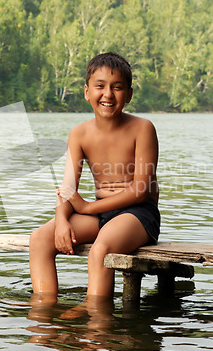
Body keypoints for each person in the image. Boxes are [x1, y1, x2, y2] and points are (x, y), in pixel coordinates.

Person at [29, 52, 160, 304]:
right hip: (101, 214)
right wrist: (61, 221)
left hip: (138, 214)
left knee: (101, 249)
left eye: (117, 87)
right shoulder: (79, 134)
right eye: (100, 86)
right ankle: (45, 311)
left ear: (129, 95)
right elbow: (68, 187)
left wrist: (88, 207)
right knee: (40, 238)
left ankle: (96, 321)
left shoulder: (143, 128)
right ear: (87, 91)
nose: (108, 94)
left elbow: (141, 190)